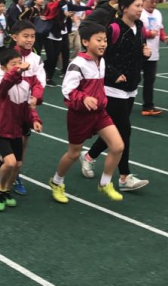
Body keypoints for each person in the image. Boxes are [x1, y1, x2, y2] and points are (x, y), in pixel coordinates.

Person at [80, 0, 151, 192]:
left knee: (115, 131)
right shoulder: (112, 28)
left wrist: (145, 54)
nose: (140, 9)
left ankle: (89, 156)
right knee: (124, 130)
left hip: (131, 86)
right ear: (124, 8)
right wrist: (112, 73)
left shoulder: (140, 27)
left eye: (141, 5)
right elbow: (99, 54)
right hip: (112, 88)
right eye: (137, 5)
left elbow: (135, 54)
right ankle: (124, 177)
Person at [49, 21, 125, 203]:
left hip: (99, 112)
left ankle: (105, 183)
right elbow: (67, 90)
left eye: (105, 40)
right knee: (74, 153)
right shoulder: (78, 64)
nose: (103, 44)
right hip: (79, 116)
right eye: (98, 40)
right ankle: (56, 181)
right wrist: (83, 98)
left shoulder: (102, 61)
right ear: (85, 42)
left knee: (118, 146)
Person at [0, 20, 45, 196]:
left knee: (23, 145)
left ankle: (14, 174)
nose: (30, 40)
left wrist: (36, 97)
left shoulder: (36, 59)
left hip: (26, 107)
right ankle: (6, 170)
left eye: (33, 36)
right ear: (15, 37)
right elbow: (0, 82)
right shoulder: (7, 57)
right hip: (9, 108)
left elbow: (39, 82)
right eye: (26, 36)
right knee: (14, 149)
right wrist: (17, 70)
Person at [140, 0, 168, 115]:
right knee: (133, 78)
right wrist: (147, 34)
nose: (154, 4)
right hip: (139, 51)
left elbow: (160, 29)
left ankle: (148, 106)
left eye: (156, 2)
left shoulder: (158, 13)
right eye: (151, 1)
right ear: (143, 1)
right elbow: (134, 31)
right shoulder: (139, 13)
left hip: (153, 52)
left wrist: (164, 37)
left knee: (150, 79)